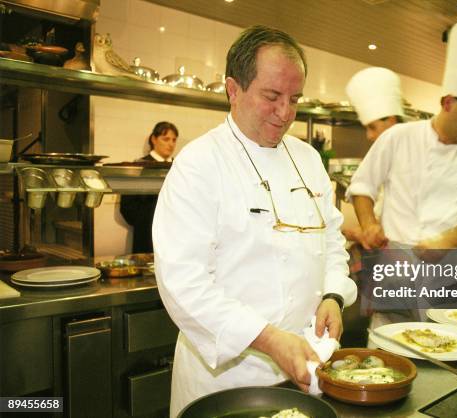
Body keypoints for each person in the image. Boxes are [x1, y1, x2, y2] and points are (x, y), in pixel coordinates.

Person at [152, 25, 357, 416]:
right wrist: (268, 339)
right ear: (233, 90)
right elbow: (183, 283)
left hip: (304, 371)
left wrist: (333, 295)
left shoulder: (309, 159)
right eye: (272, 96)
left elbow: (331, 239)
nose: (285, 113)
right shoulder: (198, 164)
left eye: (294, 98)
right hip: (226, 382)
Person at [346, 19, 457, 327]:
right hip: (395, 271)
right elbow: (363, 186)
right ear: (447, 102)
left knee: (452, 352)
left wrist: (447, 240)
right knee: (387, 352)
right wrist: (368, 223)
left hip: (450, 277)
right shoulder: (399, 137)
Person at [342, 67, 404, 244]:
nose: (369, 136)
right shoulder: (389, 156)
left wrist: (360, 233)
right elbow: (362, 189)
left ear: (390, 120)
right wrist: (366, 228)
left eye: (372, 127)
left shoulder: (413, 149)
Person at [119, 121, 178, 253]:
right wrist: (148, 222)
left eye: (174, 140)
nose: (171, 144)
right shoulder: (138, 166)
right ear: (154, 139)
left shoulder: (179, 166)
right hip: (146, 235)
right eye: (166, 139)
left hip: (176, 235)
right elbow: (126, 207)